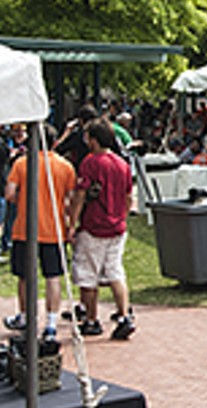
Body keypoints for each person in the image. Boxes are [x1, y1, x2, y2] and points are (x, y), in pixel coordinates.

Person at [4, 126, 76, 339]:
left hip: (25, 229)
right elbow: (70, 200)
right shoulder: (65, 166)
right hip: (55, 228)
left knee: (25, 276)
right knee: (53, 276)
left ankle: (26, 317)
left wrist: (24, 201)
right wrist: (70, 222)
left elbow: (9, 193)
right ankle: (51, 324)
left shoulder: (22, 163)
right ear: (54, 142)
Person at [66, 120, 135, 339]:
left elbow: (80, 195)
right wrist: (121, 216)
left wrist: (71, 224)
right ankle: (124, 315)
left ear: (93, 140)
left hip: (94, 225)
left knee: (87, 275)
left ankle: (91, 319)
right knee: (115, 271)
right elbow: (128, 197)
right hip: (117, 227)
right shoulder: (122, 164)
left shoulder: (90, 163)